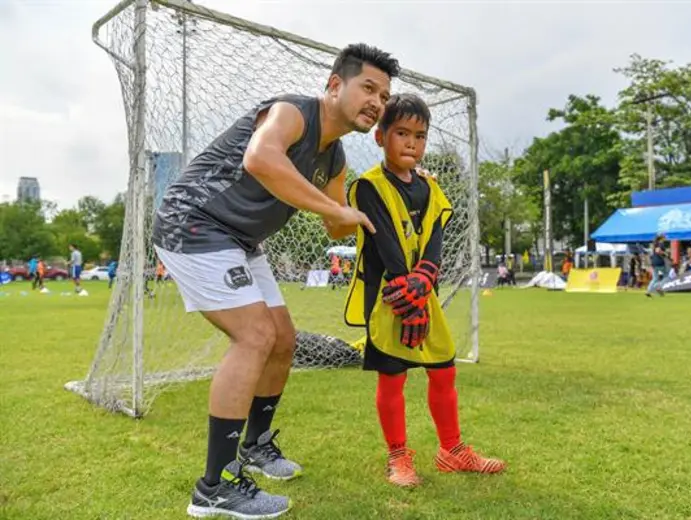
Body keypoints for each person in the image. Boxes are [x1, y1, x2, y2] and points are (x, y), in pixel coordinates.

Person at [152, 43, 398, 519]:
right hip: (194, 221)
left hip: (239, 239)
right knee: (256, 335)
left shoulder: (337, 157)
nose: (377, 102)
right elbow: (260, 160)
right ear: (333, 85)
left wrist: (392, 185)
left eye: (384, 97)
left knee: (282, 339)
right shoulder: (292, 112)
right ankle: (215, 487)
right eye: (368, 88)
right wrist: (334, 207)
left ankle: (256, 446)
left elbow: (337, 225)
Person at [344, 93, 506, 488]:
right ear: (380, 137)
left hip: (421, 293)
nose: (412, 143)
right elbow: (386, 245)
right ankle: (398, 457)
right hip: (389, 299)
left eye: (420, 135)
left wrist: (425, 279)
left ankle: (452, 450)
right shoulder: (369, 186)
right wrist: (409, 296)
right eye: (402, 133)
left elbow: (434, 237)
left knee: (444, 370)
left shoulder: (429, 186)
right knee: (392, 377)